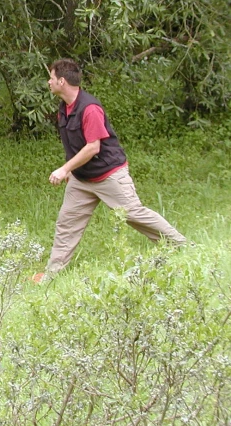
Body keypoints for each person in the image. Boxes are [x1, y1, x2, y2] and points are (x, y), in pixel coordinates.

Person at [33, 59, 186, 282]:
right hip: (82, 179)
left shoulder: (90, 109)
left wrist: (64, 169)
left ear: (62, 81)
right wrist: (72, 171)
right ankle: (51, 276)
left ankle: (183, 246)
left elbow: (93, 147)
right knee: (67, 224)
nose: (49, 81)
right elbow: (74, 144)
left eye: (52, 77)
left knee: (133, 214)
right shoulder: (64, 108)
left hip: (109, 175)